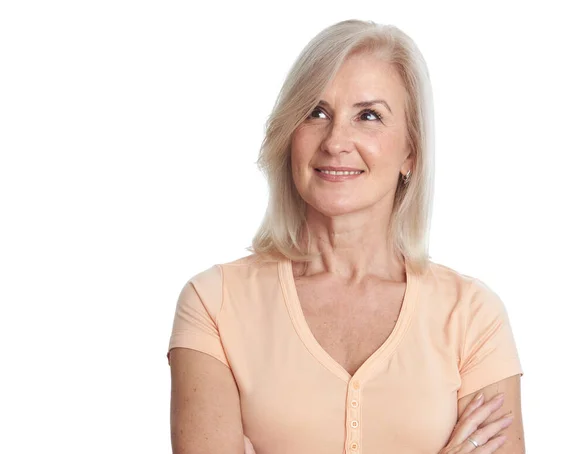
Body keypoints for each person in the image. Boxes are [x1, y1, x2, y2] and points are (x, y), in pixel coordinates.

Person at [167, 19, 525, 454]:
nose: (336, 141)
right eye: (316, 112)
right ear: (289, 134)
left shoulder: (472, 316)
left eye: (369, 116)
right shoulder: (215, 304)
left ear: (410, 152)